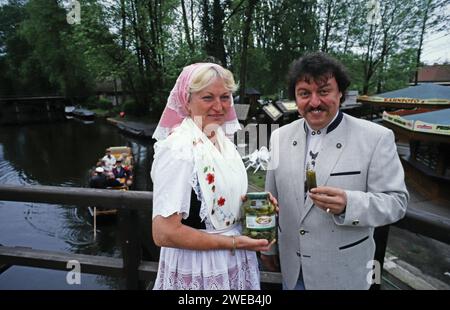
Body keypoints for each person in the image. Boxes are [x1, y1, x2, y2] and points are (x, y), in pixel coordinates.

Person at [262, 52, 409, 290]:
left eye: (324, 91)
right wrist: (270, 246)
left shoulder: (376, 137)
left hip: (343, 274)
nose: (314, 102)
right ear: (295, 99)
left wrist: (350, 204)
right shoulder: (279, 137)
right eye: (304, 94)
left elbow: (397, 202)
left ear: (340, 93)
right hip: (291, 268)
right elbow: (271, 198)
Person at [151, 62, 273, 290]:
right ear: (186, 102)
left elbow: (222, 196)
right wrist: (233, 242)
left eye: (225, 97)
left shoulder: (223, 142)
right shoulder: (178, 149)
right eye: (208, 97)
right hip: (201, 267)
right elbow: (163, 233)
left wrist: (257, 204)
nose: (219, 106)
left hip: (234, 258)